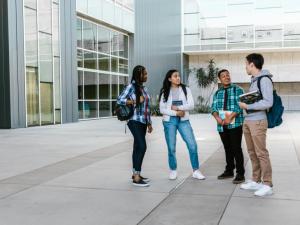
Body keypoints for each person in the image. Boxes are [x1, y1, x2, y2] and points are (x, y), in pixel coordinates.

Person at [159, 69, 205, 180]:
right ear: (169, 79)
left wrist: (179, 108)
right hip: (169, 121)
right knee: (171, 147)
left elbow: (191, 105)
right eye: (175, 76)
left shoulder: (186, 89)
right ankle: (173, 170)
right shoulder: (165, 91)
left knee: (192, 145)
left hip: (183, 120)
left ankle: (196, 170)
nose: (178, 78)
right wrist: (176, 113)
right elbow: (162, 109)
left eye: (178, 76)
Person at [239, 53, 274, 197]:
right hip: (249, 120)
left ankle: (267, 184)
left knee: (261, 153)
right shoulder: (254, 80)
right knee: (252, 152)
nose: (245, 67)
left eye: (246, 64)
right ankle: (256, 180)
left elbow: (268, 102)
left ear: (252, 64)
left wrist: (247, 106)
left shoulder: (264, 80)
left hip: (258, 121)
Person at [117, 65, 153, 187]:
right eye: (145, 74)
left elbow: (147, 108)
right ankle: (136, 178)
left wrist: (149, 123)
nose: (147, 75)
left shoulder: (144, 88)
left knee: (137, 147)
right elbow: (119, 100)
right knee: (142, 146)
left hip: (143, 121)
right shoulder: (131, 87)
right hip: (133, 120)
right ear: (139, 75)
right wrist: (135, 101)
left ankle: (135, 174)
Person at [211, 69, 245, 184]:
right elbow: (213, 108)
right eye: (223, 76)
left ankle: (240, 174)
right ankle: (229, 170)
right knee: (227, 148)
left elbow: (240, 106)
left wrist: (230, 117)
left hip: (235, 124)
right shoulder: (217, 92)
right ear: (219, 79)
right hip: (222, 125)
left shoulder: (238, 89)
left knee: (236, 148)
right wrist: (217, 118)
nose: (226, 77)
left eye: (228, 75)